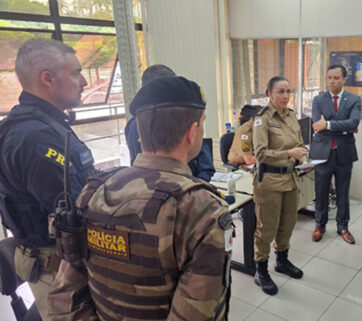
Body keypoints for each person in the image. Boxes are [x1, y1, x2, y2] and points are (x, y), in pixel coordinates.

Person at [48, 76, 233, 320]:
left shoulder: (92, 192)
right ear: (192, 132)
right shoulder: (203, 211)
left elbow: (66, 296)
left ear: (141, 132)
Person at [0, 39, 95, 320]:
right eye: (76, 72)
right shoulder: (34, 137)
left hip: (61, 260)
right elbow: (77, 210)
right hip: (58, 266)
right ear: (47, 78)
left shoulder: (44, 125)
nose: (84, 82)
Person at [252, 76, 308, 295]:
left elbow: (300, 145)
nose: (285, 96)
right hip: (270, 183)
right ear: (269, 94)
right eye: (280, 92)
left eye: (288, 91)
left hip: (291, 179)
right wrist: (289, 153)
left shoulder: (292, 116)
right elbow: (260, 154)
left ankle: (282, 261)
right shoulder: (262, 119)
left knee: (287, 224)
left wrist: (303, 158)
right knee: (267, 228)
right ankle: (261, 271)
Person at [124, 64, 215, 181]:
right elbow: (136, 159)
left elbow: (205, 165)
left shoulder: (108, 190)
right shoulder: (134, 126)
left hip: (187, 181)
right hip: (156, 184)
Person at [310, 64, 361, 244]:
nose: (332, 81)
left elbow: (354, 123)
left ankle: (343, 227)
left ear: (344, 80)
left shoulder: (354, 99)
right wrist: (344, 127)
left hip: (344, 153)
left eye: (336, 78)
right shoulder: (318, 99)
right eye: (329, 77)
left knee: (343, 192)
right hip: (322, 152)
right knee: (321, 191)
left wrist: (329, 125)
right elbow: (317, 125)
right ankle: (320, 225)